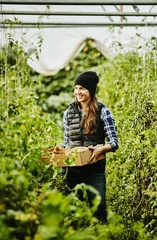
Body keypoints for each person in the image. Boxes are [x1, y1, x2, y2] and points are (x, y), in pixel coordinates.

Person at [61, 71, 118, 223]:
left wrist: (102, 148)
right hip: (72, 172)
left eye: (82, 88)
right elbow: (67, 142)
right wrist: (61, 152)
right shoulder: (68, 113)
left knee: (99, 216)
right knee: (72, 217)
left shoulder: (103, 112)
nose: (78, 92)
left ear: (91, 91)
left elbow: (114, 142)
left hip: (95, 171)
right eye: (76, 88)